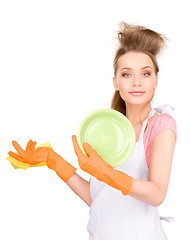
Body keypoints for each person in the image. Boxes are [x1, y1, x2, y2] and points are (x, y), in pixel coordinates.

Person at [8, 22, 177, 240]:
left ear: (156, 80)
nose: (136, 82)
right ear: (115, 82)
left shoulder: (160, 124)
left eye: (145, 74)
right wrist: (54, 160)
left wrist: (107, 173)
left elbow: (156, 194)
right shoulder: (107, 130)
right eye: (127, 75)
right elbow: (99, 198)